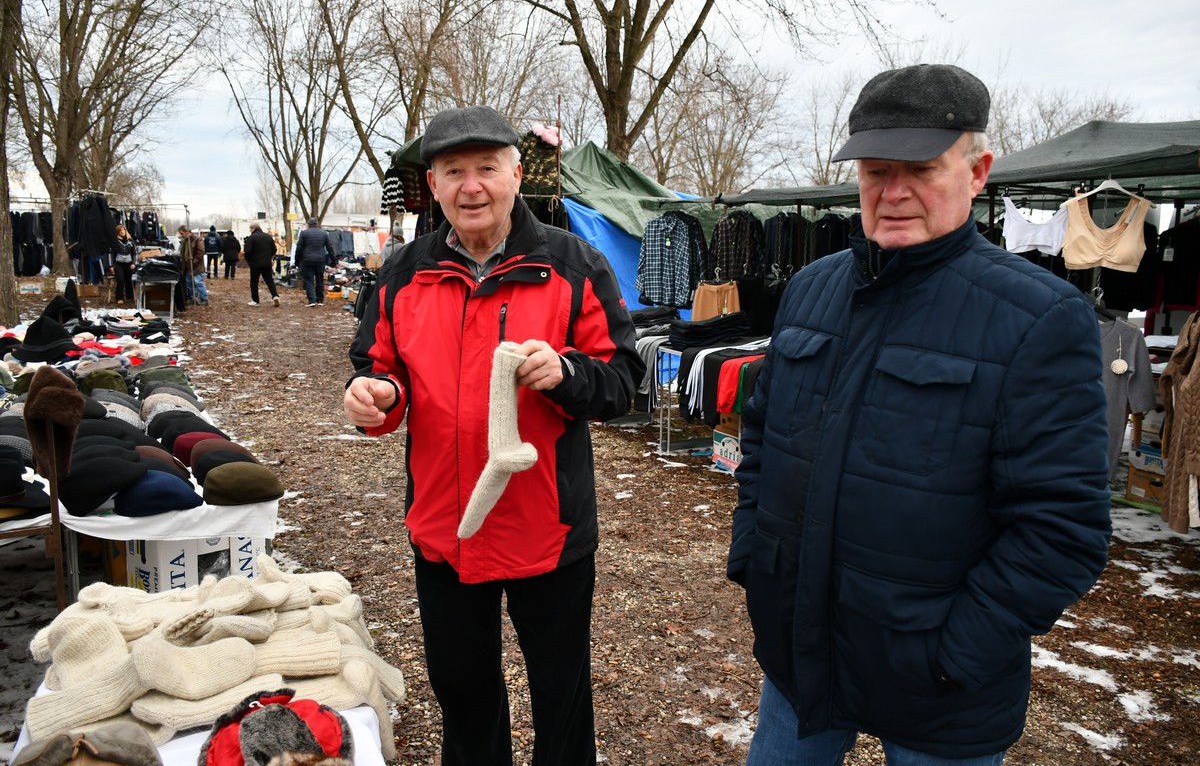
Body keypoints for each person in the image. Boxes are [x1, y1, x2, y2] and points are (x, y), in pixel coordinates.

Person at [727, 64, 1112, 765]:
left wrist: (953, 650)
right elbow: (762, 437)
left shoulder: (1038, 318)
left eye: (921, 168)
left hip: (940, 687)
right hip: (798, 653)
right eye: (876, 170)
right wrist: (755, 559)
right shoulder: (811, 290)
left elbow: (1064, 527)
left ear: (977, 170)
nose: (894, 192)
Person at [343, 105, 643, 765]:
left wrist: (565, 374)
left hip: (548, 530)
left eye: (486, 168)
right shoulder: (401, 273)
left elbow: (623, 380)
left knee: (560, 696)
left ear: (515, 174)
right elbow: (377, 369)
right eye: (454, 171)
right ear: (435, 183)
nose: (471, 186)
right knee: (463, 692)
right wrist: (375, 397)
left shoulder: (572, 264)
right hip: (446, 531)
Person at [295, 217, 335, 306]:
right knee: (320, 279)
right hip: (320, 259)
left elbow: (299, 248)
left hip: (307, 259)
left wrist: (297, 261)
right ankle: (320, 299)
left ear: (308, 224)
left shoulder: (304, 233)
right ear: (317, 224)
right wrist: (333, 261)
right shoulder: (324, 234)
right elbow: (330, 248)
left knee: (309, 280)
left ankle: (312, 300)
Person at [243, 222, 280, 307]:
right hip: (266, 263)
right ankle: (275, 295)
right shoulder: (268, 237)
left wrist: (249, 260)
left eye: (250, 229)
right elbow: (274, 249)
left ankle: (255, 300)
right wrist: (269, 257)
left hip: (255, 264)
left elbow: (247, 251)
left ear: (253, 228)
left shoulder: (252, 238)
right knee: (269, 280)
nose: (250, 231)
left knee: (254, 282)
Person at [111, 224, 136, 305]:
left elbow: (134, 253)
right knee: (121, 280)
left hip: (129, 263)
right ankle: (119, 297)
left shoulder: (130, 241)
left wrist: (133, 263)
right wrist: (112, 265)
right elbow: (112, 254)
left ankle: (129, 296)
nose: (122, 232)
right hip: (119, 264)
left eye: (123, 230)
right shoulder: (115, 242)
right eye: (120, 230)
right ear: (118, 232)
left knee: (129, 280)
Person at [188, 227, 209, 305]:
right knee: (190, 283)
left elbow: (201, 251)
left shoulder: (197, 240)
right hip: (190, 265)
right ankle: (194, 298)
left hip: (196, 265)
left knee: (198, 282)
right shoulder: (187, 240)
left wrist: (194, 261)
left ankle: (204, 299)